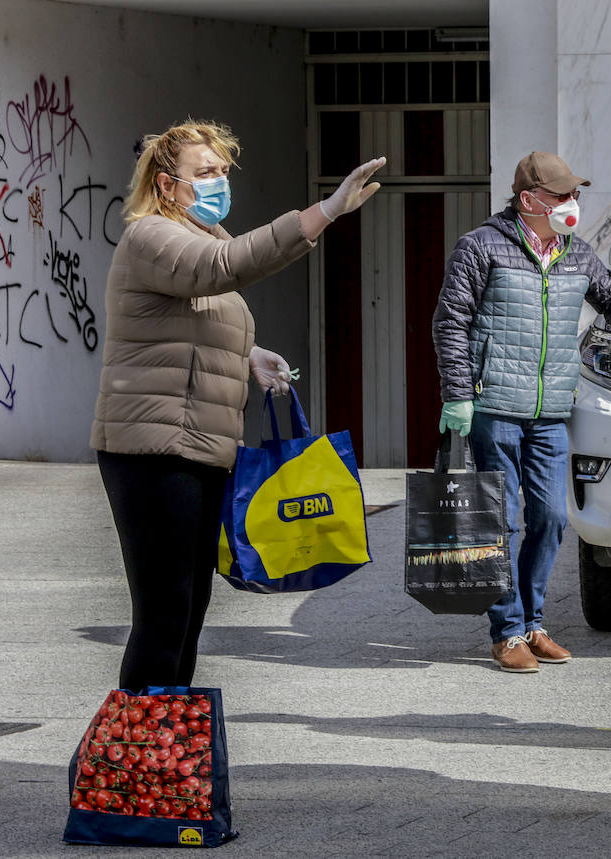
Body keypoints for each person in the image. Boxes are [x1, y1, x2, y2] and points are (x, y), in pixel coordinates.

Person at [92, 119, 385, 690]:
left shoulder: (206, 234)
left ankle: (168, 751)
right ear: (165, 183)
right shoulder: (151, 236)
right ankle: (132, 761)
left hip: (200, 445)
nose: (220, 181)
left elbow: (191, 320)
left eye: (224, 170)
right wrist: (323, 212)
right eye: (205, 173)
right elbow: (221, 271)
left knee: (189, 610)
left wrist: (250, 353)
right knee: (164, 614)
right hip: (154, 449)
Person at [432, 151, 611, 674]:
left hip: (551, 410)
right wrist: (458, 393)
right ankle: (507, 631)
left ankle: (535, 624)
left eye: (574, 194)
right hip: (494, 407)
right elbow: (450, 323)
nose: (571, 204)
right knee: (502, 521)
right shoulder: (481, 246)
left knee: (553, 518)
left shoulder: (577, 254)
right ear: (528, 199)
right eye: (560, 195)